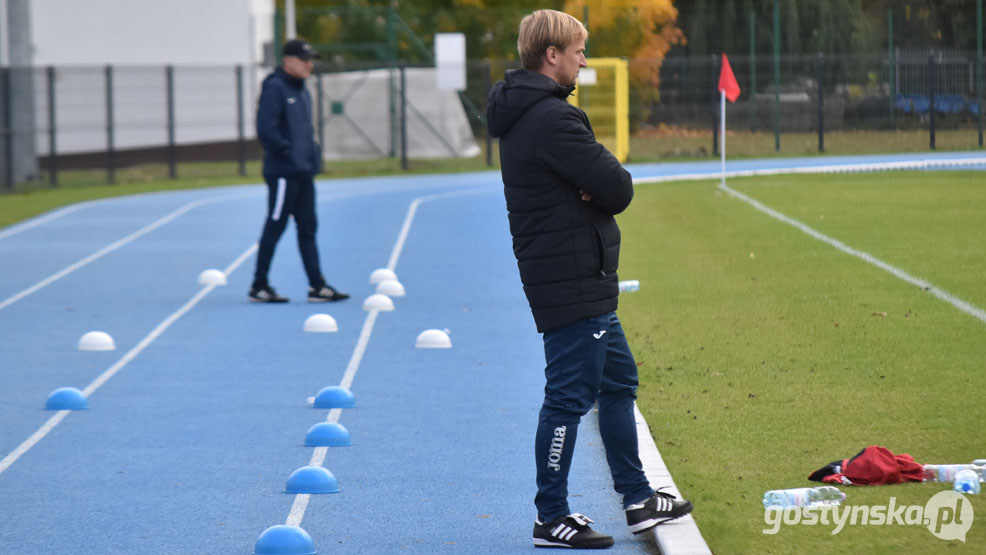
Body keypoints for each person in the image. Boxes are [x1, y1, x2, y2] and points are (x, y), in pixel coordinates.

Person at [486, 9, 692, 549]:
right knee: (568, 399)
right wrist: (594, 188)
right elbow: (619, 188)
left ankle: (638, 497)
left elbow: (599, 187)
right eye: (577, 51)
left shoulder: (534, 113)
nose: (583, 59)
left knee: (618, 383)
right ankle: (550, 515)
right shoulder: (552, 119)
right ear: (550, 55)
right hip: (571, 278)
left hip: (579, 276)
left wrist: (590, 188)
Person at [249, 38, 349, 304]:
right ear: (288, 60)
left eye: (310, 60)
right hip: (283, 172)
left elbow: (304, 132)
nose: (309, 65)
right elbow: (266, 131)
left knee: (308, 227)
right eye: (304, 60)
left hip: (303, 172)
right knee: (276, 224)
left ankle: (317, 285)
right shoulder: (275, 88)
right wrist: (290, 154)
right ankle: (259, 285)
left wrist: (310, 158)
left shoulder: (302, 89)